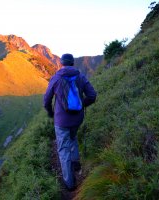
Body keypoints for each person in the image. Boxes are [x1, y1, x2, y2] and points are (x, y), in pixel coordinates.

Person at [43, 53, 97, 190]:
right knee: (73, 137)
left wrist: (50, 112)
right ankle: (75, 162)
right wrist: (81, 104)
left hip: (61, 121)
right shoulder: (80, 76)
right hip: (77, 118)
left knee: (63, 150)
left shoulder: (56, 78)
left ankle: (70, 184)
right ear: (73, 63)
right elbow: (92, 95)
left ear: (61, 63)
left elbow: (46, 100)